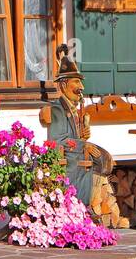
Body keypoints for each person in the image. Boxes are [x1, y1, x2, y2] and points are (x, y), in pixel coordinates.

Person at [39, 45, 114, 208]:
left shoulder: (75, 110)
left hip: (76, 154)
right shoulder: (58, 110)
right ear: (64, 85)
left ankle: (87, 206)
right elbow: (58, 140)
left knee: (104, 159)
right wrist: (83, 144)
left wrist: (84, 135)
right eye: (76, 82)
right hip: (66, 160)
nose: (81, 87)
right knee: (93, 161)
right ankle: (79, 206)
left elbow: (74, 137)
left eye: (80, 81)